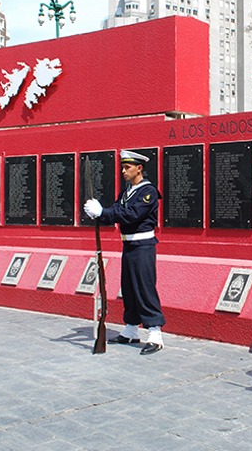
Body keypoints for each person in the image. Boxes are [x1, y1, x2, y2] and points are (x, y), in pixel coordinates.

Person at [84, 150, 166, 355]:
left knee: (144, 288)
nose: (123, 171)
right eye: (122, 167)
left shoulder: (148, 192)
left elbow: (131, 214)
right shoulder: (126, 192)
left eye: (127, 167)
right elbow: (117, 213)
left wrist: (103, 212)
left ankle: (155, 333)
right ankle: (131, 329)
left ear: (139, 168)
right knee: (128, 288)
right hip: (128, 246)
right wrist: (99, 214)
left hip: (143, 247)